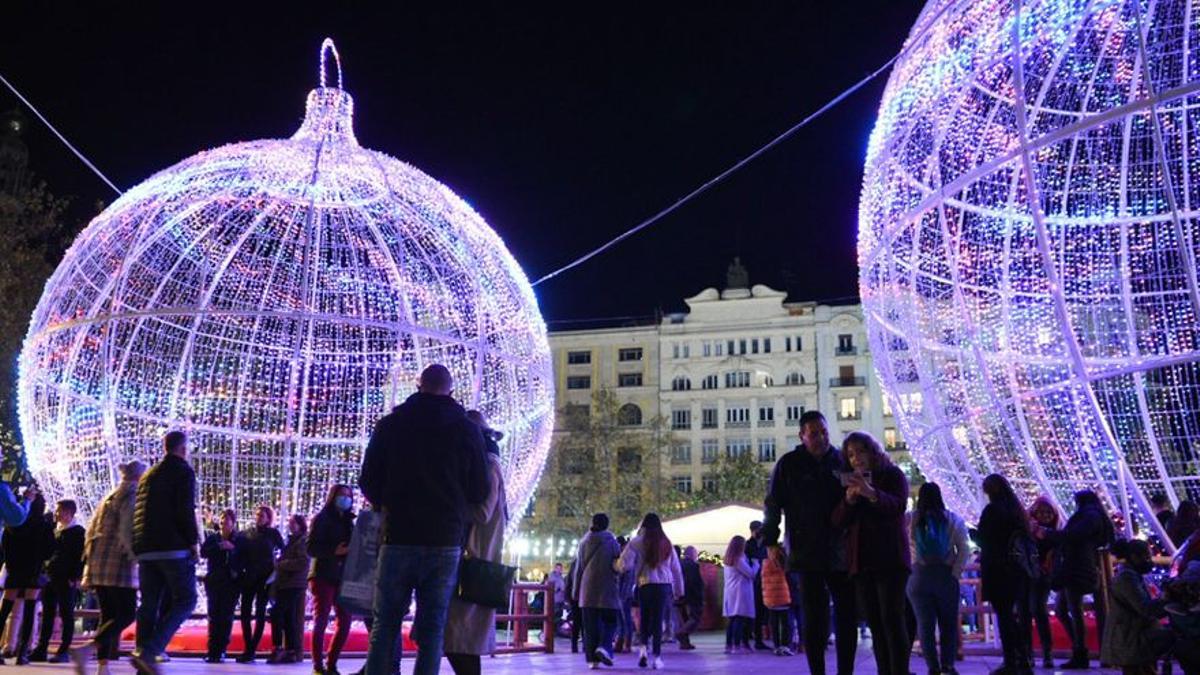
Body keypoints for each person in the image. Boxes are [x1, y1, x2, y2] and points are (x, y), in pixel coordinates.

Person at [359, 364, 489, 675]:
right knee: (432, 630)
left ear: (418, 386)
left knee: (385, 624)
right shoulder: (467, 430)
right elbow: (479, 488)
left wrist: (387, 502)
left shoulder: (390, 425)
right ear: (451, 390)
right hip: (445, 540)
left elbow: (368, 479)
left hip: (398, 535)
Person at [762, 410, 858, 675]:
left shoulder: (841, 461)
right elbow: (773, 504)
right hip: (806, 551)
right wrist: (771, 541)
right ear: (802, 435)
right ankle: (817, 670)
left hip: (840, 548)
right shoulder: (789, 464)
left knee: (846, 614)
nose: (820, 438)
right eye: (814, 433)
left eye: (824, 432)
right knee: (813, 617)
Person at [831, 430, 910, 675]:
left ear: (872, 451)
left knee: (892, 620)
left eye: (861, 451)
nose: (856, 459)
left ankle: (899, 670)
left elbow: (897, 505)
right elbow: (837, 520)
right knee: (875, 623)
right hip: (861, 563)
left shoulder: (892, 475)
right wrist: (849, 501)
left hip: (890, 560)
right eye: (851, 455)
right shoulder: (850, 481)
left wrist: (871, 493)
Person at [444, 410, 510, 675]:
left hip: (474, 562)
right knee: (457, 639)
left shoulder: (489, 466)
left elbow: (483, 511)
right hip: (470, 561)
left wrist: (446, 502)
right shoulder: (480, 464)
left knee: (459, 638)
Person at [132, 430, 200, 675]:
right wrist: (193, 542)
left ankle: (143, 659)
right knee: (186, 599)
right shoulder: (183, 471)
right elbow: (185, 509)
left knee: (149, 603)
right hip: (173, 548)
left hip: (146, 548)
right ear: (183, 449)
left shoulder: (148, 474)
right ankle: (150, 651)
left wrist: (138, 544)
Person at [72, 459, 146, 675]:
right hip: (118, 565)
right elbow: (127, 530)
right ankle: (88, 648)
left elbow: (91, 532)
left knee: (108, 615)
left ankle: (102, 667)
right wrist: (136, 557)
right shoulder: (132, 496)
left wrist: (89, 565)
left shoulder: (109, 496)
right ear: (138, 477)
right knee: (127, 613)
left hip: (99, 564)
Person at [907, 482, 970, 675]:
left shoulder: (910, 519)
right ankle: (948, 666)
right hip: (945, 576)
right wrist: (955, 573)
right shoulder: (953, 519)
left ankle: (932, 667)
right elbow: (964, 549)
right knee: (948, 624)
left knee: (924, 625)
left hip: (918, 577)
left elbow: (900, 544)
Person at [1047, 489, 1114, 669]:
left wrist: (1047, 534)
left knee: (1074, 610)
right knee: (1064, 609)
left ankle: (1080, 651)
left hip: (1077, 568)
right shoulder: (1094, 516)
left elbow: (1074, 536)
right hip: (1078, 567)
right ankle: (1078, 647)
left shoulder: (1088, 517)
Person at [976, 473, 1034, 675]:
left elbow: (984, 538)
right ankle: (1024, 657)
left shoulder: (992, 511)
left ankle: (1012, 660)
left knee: (1005, 616)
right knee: (1014, 615)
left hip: (997, 569)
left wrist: (974, 534)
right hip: (1017, 570)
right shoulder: (1017, 512)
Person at [617, 513, 684, 670]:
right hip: (664, 586)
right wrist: (680, 590)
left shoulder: (636, 543)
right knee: (658, 620)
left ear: (644, 526)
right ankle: (657, 657)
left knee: (645, 619)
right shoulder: (666, 543)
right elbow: (676, 569)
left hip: (644, 584)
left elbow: (624, 564)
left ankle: (643, 651)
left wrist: (616, 566)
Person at [1100, 539, 1173, 674]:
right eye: (1146, 556)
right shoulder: (1128, 578)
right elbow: (1144, 608)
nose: (1149, 561)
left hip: (1135, 638)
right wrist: (1166, 600)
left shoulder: (1133, 576)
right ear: (1134, 557)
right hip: (1132, 640)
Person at [0, 487, 53, 665]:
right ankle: (22, 652)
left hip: (14, 569)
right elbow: (48, 550)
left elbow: (4, 546)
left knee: (5, 610)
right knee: (30, 611)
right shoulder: (43, 524)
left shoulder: (14, 523)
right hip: (33, 571)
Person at [30, 499, 86, 662]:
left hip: (66, 578)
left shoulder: (77, 532)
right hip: (50, 576)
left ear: (70, 512)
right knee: (47, 612)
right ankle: (42, 647)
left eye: (60, 510)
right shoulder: (55, 530)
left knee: (66, 613)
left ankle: (64, 650)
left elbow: (80, 557)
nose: (56, 513)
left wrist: (75, 576)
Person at [308, 484, 355, 675]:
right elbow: (311, 547)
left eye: (348, 496)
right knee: (321, 619)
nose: (345, 499)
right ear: (333, 496)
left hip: (343, 576)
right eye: (342, 495)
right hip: (323, 574)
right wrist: (333, 551)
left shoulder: (349, 521)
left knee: (345, 620)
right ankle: (318, 666)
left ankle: (332, 663)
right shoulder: (322, 518)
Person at [569, 513, 621, 670]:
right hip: (607, 588)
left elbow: (578, 569)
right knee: (612, 621)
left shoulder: (583, 542)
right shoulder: (612, 542)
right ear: (607, 525)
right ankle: (604, 646)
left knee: (590, 626)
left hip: (587, 589)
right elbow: (617, 565)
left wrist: (575, 590)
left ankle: (592, 661)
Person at [236, 505, 284, 662]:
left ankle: (252, 649)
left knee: (260, 613)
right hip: (249, 576)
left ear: (268, 518)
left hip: (265, 578)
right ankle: (248, 647)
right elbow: (240, 553)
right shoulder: (247, 533)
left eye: (262, 515)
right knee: (245, 613)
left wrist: (276, 569)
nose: (258, 518)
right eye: (257, 515)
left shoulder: (273, 534)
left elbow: (283, 551)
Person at [201, 509, 243, 664]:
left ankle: (222, 650)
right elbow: (203, 552)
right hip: (214, 581)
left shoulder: (239, 539)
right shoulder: (213, 538)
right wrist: (219, 547)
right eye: (222, 519)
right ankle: (212, 650)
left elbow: (244, 557)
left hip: (231, 583)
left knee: (226, 616)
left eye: (227, 519)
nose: (223, 522)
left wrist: (232, 549)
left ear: (233, 522)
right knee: (213, 615)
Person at [1026, 496, 1062, 669]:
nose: (1045, 515)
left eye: (1048, 512)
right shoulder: (1028, 530)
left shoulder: (1053, 533)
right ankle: (1028, 653)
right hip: (1028, 575)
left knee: (1038, 610)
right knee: (1027, 612)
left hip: (1044, 576)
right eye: (1041, 511)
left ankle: (1047, 652)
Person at [268, 514, 309, 665]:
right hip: (287, 583)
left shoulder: (302, 541)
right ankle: (290, 650)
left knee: (278, 613)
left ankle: (278, 647)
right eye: (290, 522)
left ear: (300, 525)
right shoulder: (292, 541)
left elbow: (303, 562)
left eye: (294, 523)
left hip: (294, 583)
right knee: (288, 617)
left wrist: (282, 564)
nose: (291, 525)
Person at [723, 535, 757, 654]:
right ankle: (737, 646)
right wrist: (756, 564)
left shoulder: (728, 558)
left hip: (731, 592)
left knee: (732, 619)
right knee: (739, 619)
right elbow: (751, 574)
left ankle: (729, 645)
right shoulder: (739, 559)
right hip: (740, 592)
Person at [761, 545, 793, 656]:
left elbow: (763, 580)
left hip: (771, 598)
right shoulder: (783, 563)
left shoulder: (765, 563)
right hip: (783, 596)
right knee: (785, 623)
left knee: (774, 623)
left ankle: (776, 646)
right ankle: (785, 645)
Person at [745, 521, 769, 650]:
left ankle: (759, 638)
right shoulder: (748, 545)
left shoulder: (765, 545)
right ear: (753, 530)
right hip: (754, 582)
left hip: (766, 582)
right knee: (756, 611)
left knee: (763, 612)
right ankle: (754, 637)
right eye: (759, 530)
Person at [675, 546, 703, 651]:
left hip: (679, 595)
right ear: (692, 554)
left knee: (684, 619)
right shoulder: (693, 566)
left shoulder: (680, 564)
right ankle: (681, 633)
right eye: (696, 554)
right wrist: (700, 595)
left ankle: (685, 643)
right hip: (692, 596)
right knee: (695, 618)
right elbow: (695, 582)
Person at [615, 537, 635, 654]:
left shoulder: (625, 558)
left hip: (624, 594)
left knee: (624, 619)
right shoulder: (630, 556)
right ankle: (623, 642)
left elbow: (622, 577)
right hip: (625, 593)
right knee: (624, 618)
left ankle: (624, 643)